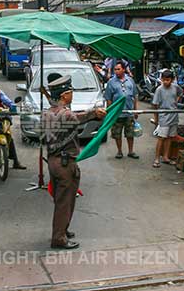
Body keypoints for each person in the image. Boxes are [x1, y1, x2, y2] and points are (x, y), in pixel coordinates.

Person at [44, 74, 106, 249]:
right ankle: (59, 238)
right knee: (65, 201)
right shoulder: (66, 115)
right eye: (70, 92)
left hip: (53, 161)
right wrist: (95, 113)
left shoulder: (48, 113)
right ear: (64, 95)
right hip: (64, 164)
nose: (72, 95)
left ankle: (62, 229)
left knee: (61, 199)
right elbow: (81, 117)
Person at [104, 61, 139, 159]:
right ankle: (119, 151)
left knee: (130, 134)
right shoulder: (111, 82)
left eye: (118, 69)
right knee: (117, 134)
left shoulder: (130, 80)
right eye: (115, 69)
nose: (116, 71)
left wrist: (136, 110)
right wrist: (110, 113)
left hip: (129, 112)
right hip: (117, 113)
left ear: (124, 69)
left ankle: (131, 151)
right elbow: (108, 98)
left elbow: (135, 96)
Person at [152, 69, 182, 167]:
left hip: (173, 115)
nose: (165, 82)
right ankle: (157, 158)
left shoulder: (175, 87)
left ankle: (165, 157)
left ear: (172, 80)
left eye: (168, 80)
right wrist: (156, 118)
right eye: (164, 80)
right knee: (161, 138)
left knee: (170, 137)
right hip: (163, 116)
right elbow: (155, 105)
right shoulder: (159, 89)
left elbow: (180, 93)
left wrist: (175, 102)